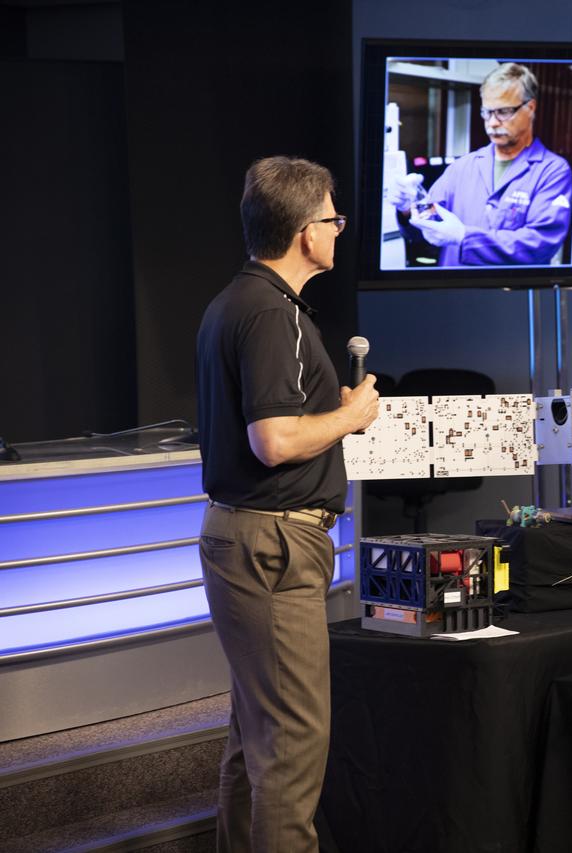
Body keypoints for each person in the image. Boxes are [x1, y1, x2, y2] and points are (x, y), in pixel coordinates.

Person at [196, 156, 380, 851]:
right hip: (273, 547)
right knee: (292, 744)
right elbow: (272, 441)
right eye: (334, 219)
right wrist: (352, 415)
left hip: (247, 539)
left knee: (257, 738)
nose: (338, 230)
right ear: (306, 232)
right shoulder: (274, 314)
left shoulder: (239, 301)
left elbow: (276, 423)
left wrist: (327, 414)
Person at [390, 62, 572, 267]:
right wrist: (409, 207)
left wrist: (464, 236)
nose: (492, 122)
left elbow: (539, 244)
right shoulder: (462, 167)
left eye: (504, 111)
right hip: (453, 285)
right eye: (487, 112)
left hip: (510, 288)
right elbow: (429, 230)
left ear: (530, 108)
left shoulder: (552, 171)